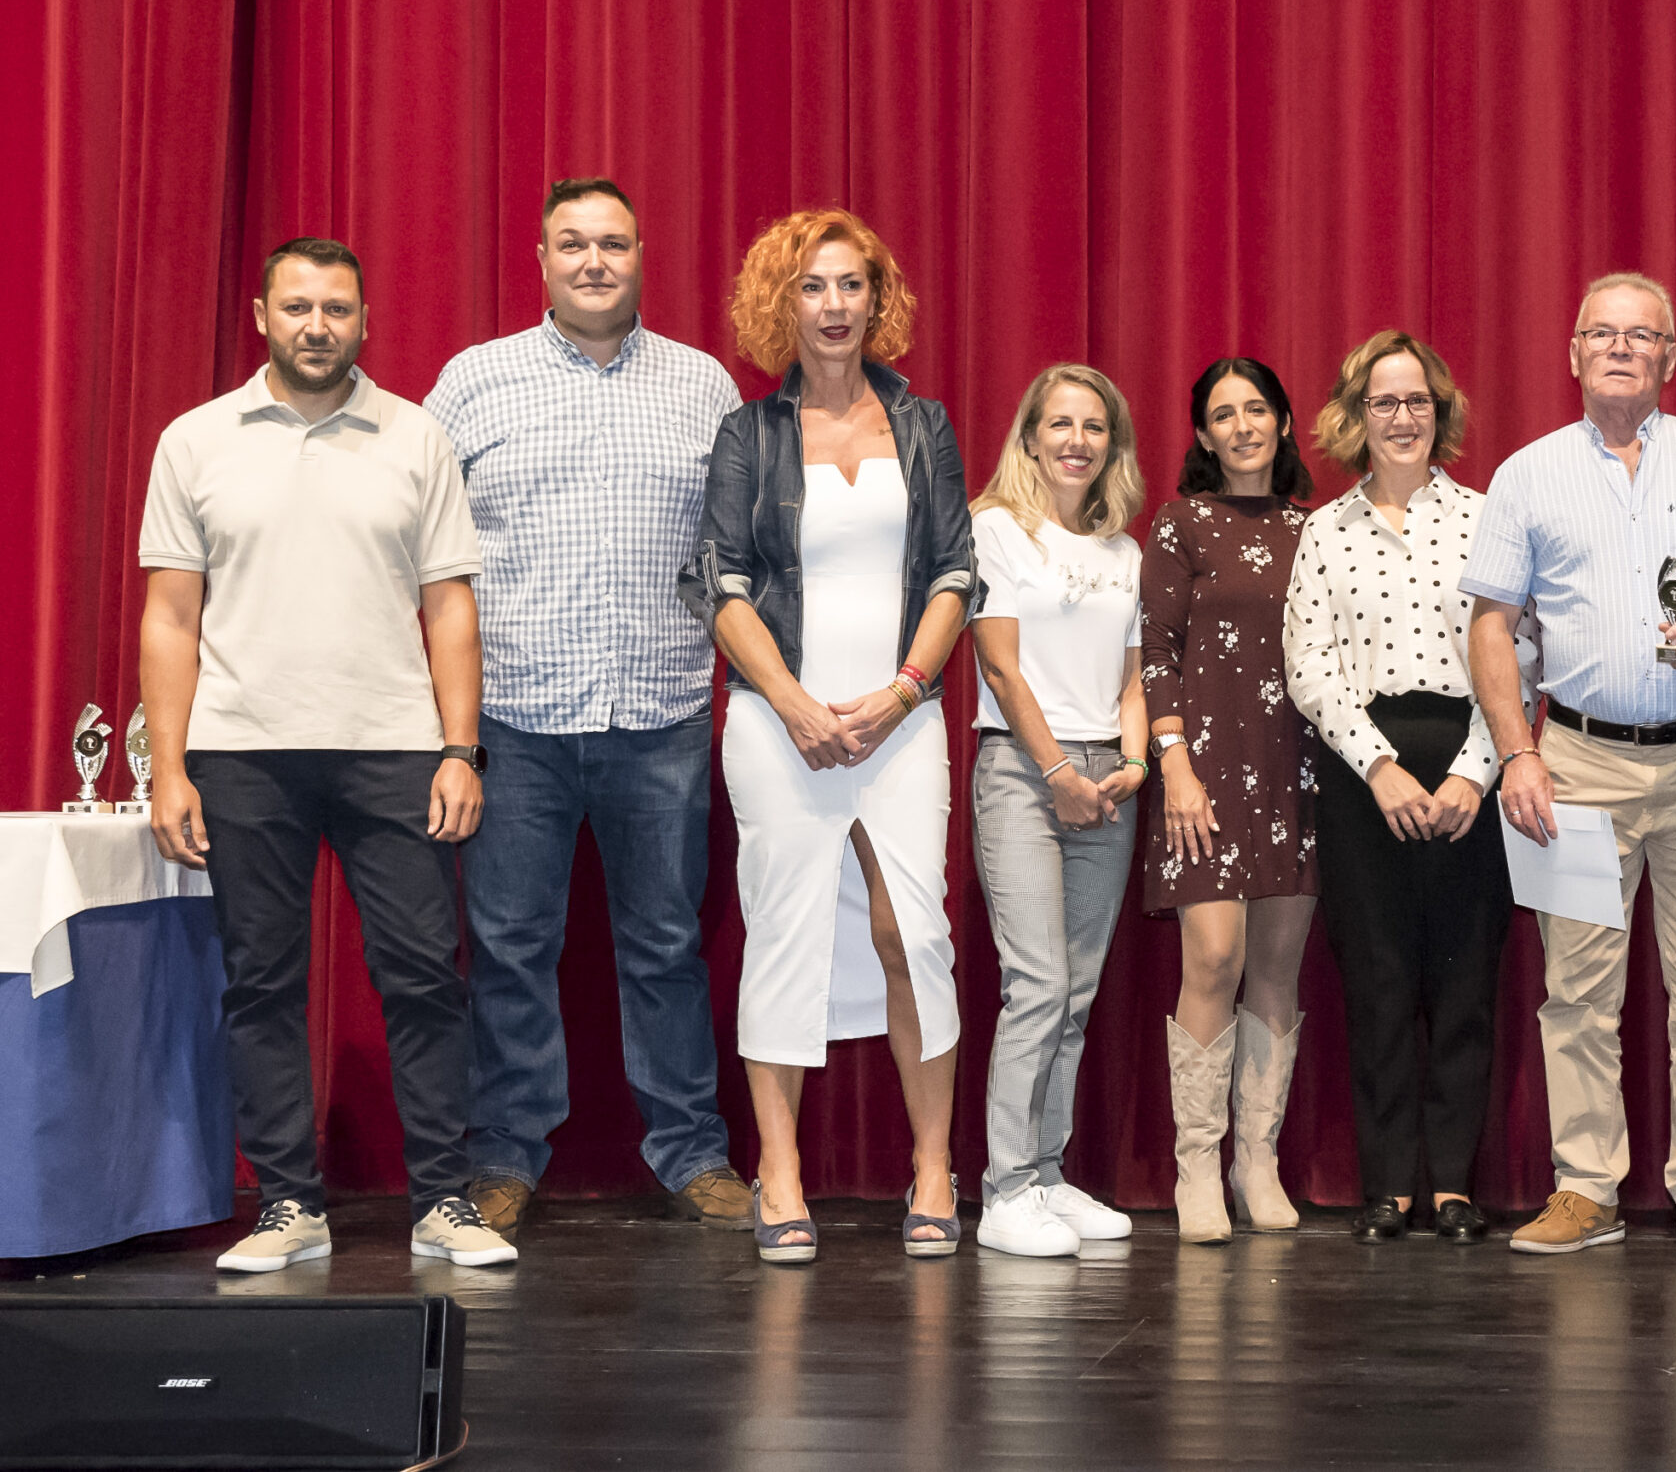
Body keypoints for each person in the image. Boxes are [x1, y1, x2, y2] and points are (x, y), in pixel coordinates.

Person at [137, 237, 516, 1272]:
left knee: (424, 980)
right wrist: (170, 767)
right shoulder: (197, 440)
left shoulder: (415, 437)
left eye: (337, 309)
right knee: (262, 982)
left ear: (364, 320)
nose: (318, 326)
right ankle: (288, 1207)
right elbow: (170, 615)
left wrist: (459, 749)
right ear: (261, 314)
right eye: (298, 307)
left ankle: (442, 1199)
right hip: (243, 752)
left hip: (395, 750)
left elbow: (450, 607)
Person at [424, 178, 749, 1244]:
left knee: (663, 943)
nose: (595, 262)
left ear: (643, 252)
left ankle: (691, 1152)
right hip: (512, 717)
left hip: (659, 712)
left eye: (613, 243)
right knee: (510, 946)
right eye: (574, 244)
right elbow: (423, 551)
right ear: (542, 256)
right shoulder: (475, 382)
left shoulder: (703, 389)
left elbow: (735, 558)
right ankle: (507, 1157)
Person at [1465, 273, 1676, 1262]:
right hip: (1573, 761)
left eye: (1640, 335)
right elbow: (1490, 623)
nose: (1618, 347)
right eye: (1600, 332)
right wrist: (1516, 750)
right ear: (1571, 353)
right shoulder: (1524, 474)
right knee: (1577, 994)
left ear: (1669, 358)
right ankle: (1585, 1185)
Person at [679, 208, 973, 1263]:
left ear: (877, 302)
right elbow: (714, 583)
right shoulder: (747, 436)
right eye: (813, 286)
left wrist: (899, 692)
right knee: (786, 933)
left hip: (902, 716)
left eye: (852, 286)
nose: (835, 306)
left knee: (915, 937)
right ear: (781, 303)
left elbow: (954, 574)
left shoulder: (924, 425)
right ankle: (781, 1171)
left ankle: (933, 1167)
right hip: (776, 725)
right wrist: (794, 703)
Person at [1286, 331, 1515, 1244]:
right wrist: (1378, 765)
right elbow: (1309, 664)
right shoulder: (1324, 532)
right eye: (1384, 402)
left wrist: (1472, 773)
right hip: (1362, 771)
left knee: (1464, 979)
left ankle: (1453, 1184)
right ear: (1356, 416)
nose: (1403, 416)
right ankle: (1388, 1184)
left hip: (1469, 756)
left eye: (1418, 400)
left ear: (1441, 411)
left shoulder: (1488, 517)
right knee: (1379, 981)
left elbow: (1517, 656)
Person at [967, 364, 1152, 1258]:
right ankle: (1004, 1191)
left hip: (1104, 777)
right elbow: (999, 665)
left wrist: (1134, 761)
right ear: (1031, 436)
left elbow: (1131, 677)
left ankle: (1046, 1174)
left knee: (1074, 993)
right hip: (1022, 769)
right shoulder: (996, 529)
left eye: (1094, 426)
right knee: (1035, 983)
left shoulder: (1124, 552)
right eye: (1060, 424)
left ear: (1111, 443)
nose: (1076, 440)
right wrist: (1055, 771)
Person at [1140, 358, 1321, 1244]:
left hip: (1298, 767)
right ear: (1203, 434)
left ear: (1284, 422)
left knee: (1277, 969)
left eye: (1258, 409)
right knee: (1213, 957)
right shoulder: (1180, 525)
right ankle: (1196, 1165)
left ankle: (1259, 1159)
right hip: (1202, 772)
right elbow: (1155, 649)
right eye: (1223, 413)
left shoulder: (1317, 529)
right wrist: (1173, 761)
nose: (1243, 424)